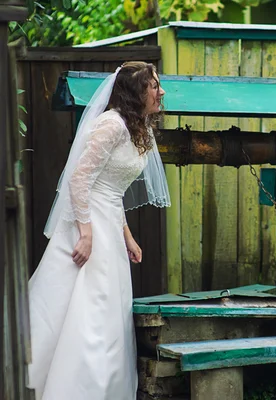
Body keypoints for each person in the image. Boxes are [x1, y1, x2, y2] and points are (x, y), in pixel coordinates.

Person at [27, 62, 171, 400]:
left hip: (108, 223)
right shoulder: (110, 126)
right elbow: (79, 180)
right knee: (88, 307)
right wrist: (86, 233)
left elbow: (110, 188)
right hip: (88, 226)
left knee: (107, 311)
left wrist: (127, 235)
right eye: (154, 86)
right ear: (137, 92)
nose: (161, 92)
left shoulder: (136, 128)